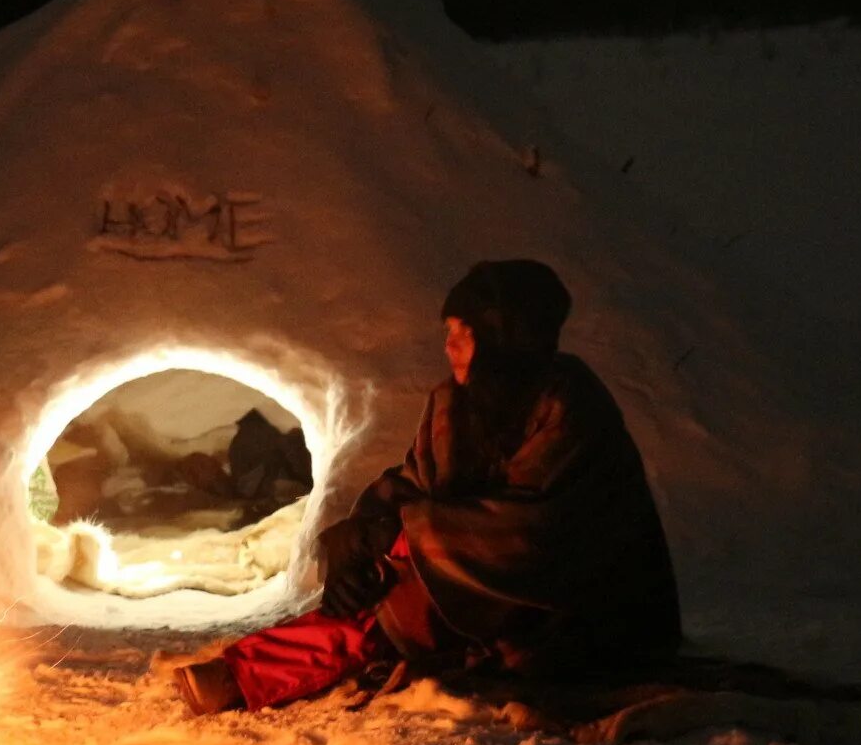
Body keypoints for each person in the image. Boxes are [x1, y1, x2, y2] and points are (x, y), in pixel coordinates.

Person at [176, 260, 681, 714]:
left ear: (506, 335)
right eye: (449, 331)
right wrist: (359, 532)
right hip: (473, 585)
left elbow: (538, 531)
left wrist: (407, 538)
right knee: (384, 585)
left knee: (402, 595)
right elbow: (416, 480)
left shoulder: (570, 404)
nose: (449, 346)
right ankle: (243, 671)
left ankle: (243, 674)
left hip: (573, 609)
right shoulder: (453, 404)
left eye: (464, 332)